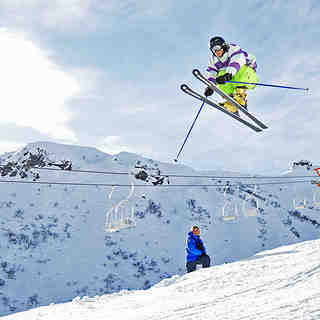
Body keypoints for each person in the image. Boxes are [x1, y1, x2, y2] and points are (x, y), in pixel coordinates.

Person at [204, 36, 258, 115]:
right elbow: (212, 72)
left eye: (217, 48)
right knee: (220, 76)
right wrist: (210, 86)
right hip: (232, 77)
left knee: (238, 70)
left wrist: (229, 74)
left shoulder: (233, 49)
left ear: (223, 45)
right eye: (213, 50)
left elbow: (237, 61)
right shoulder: (213, 59)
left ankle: (240, 98)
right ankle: (232, 103)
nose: (216, 51)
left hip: (248, 76)